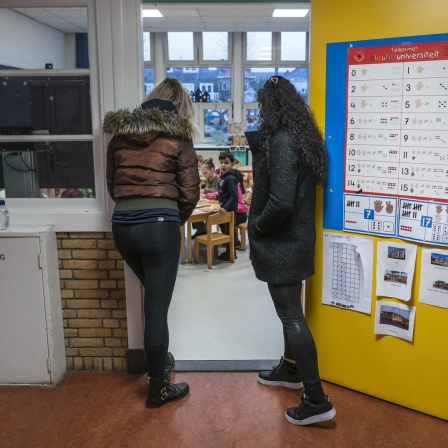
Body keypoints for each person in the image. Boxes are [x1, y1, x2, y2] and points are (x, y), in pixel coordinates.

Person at [103, 78, 200, 409]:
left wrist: (133, 210)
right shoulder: (178, 136)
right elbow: (189, 192)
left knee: (153, 300)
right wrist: (172, 219)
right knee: (156, 308)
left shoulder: (120, 134)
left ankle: (162, 362)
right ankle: (157, 388)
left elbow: (112, 185)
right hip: (159, 227)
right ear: (180, 105)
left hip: (123, 226)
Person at [248, 76, 335, 425]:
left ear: (271, 106)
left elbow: (280, 201)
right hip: (295, 241)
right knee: (292, 312)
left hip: (282, 243)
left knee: (291, 316)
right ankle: (289, 369)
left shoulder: (283, 141)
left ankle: (316, 399)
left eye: (263, 106)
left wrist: (256, 226)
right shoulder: (301, 137)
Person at [216, 151, 239, 261]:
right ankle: (229, 251)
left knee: (229, 232)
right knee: (225, 231)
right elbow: (224, 193)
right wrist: (217, 198)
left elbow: (234, 195)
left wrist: (226, 207)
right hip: (223, 208)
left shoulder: (230, 178)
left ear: (232, 164)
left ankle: (231, 253)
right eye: (221, 162)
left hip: (229, 210)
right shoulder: (223, 176)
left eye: (226, 162)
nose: (223, 165)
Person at [192, 158, 220, 239]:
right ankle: (201, 230)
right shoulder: (208, 179)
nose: (204, 175)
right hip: (208, 202)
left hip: (216, 203)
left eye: (205, 173)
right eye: (203, 173)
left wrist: (205, 191)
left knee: (198, 214)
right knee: (194, 211)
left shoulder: (218, 179)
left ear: (212, 170)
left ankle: (201, 230)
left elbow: (216, 191)